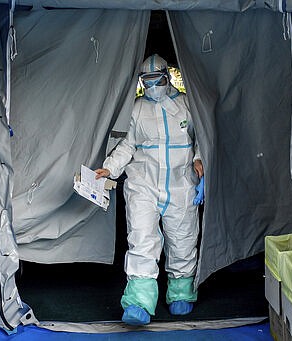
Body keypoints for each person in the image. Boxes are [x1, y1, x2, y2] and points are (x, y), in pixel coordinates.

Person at [95, 54, 204, 325]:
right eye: (148, 81)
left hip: (182, 183)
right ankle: (139, 302)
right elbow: (128, 145)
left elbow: (203, 136)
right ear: (141, 82)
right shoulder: (136, 109)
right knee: (142, 240)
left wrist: (200, 158)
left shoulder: (187, 105)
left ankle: (180, 291)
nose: (153, 85)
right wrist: (109, 169)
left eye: (157, 79)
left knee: (183, 238)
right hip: (143, 184)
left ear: (167, 78)